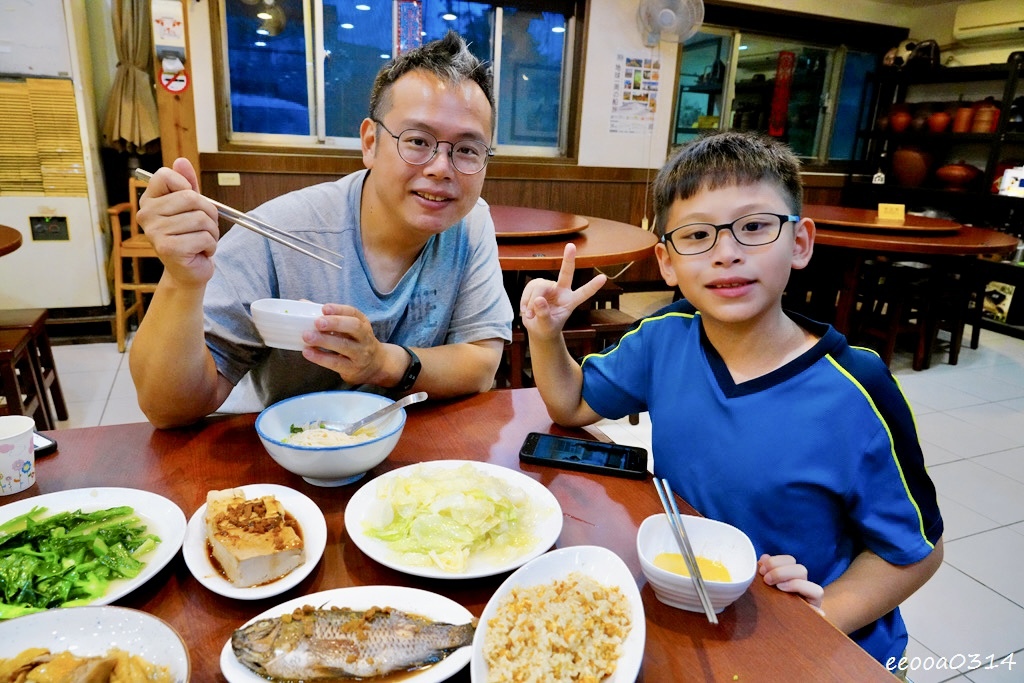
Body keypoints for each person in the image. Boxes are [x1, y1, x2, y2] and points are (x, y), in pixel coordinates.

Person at [520, 130, 943, 670]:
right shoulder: (664, 338)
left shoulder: (856, 387)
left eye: (754, 227)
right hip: (704, 611)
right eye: (696, 235)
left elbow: (917, 552)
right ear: (667, 263)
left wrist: (821, 617)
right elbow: (572, 406)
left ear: (800, 242)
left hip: (828, 643)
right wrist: (546, 333)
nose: (726, 253)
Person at [130, 32, 513, 429]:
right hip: (287, 459)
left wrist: (382, 362)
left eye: (467, 150)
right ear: (370, 142)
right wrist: (181, 281)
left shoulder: (468, 222)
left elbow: (483, 362)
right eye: (417, 141)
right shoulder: (278, 233)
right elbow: (166, 408)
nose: (441, 168)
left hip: (410, 454)